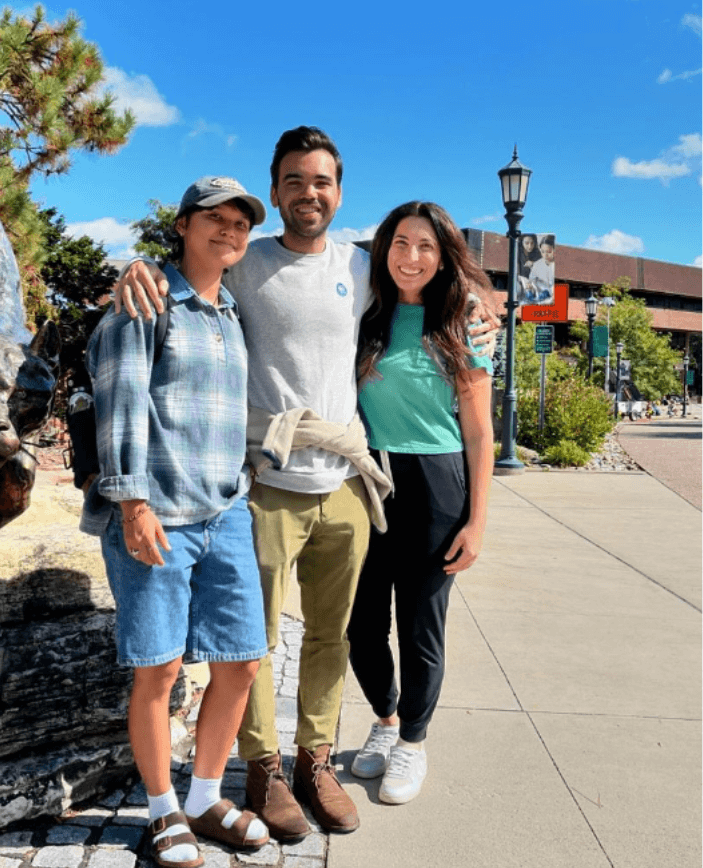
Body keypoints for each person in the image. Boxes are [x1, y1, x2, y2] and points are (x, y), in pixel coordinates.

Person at [117, 127, 498, 842]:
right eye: (294, 180)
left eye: (321, 181)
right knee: (249, 641)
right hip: (265, 481)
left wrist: (479, 300)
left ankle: (315, 759)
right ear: (276, 188)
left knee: (332, 634)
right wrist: (135, 266)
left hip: (348, 485)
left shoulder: (363, 269)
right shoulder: (244, 261)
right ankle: (261, 766)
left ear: (338, 191)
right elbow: (184, 272)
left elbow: (436, 289)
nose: (308, 192)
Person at [82, 176, 272, 868]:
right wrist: (130, 502)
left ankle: (205, 796)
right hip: (158, 514)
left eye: (241, 224)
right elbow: (120, 404)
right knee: (157, 669)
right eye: (216, 219)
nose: (230, 232)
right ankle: (163, 809)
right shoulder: (147, 299)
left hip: (226, 513)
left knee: (242, 660)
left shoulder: (229, 316)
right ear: (185, 224)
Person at [346, 201, 494, 805]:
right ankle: (384, 721)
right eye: (400, 243)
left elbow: (481, 432)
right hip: (367, 475)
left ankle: (413, 740)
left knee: (419, 625)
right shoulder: (366, 315)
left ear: (444, 255)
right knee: (359, 624)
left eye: (426, 246)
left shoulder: (463, 322)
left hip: (436, 482)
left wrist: (478, 521)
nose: (411, 257)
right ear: (383, 249)